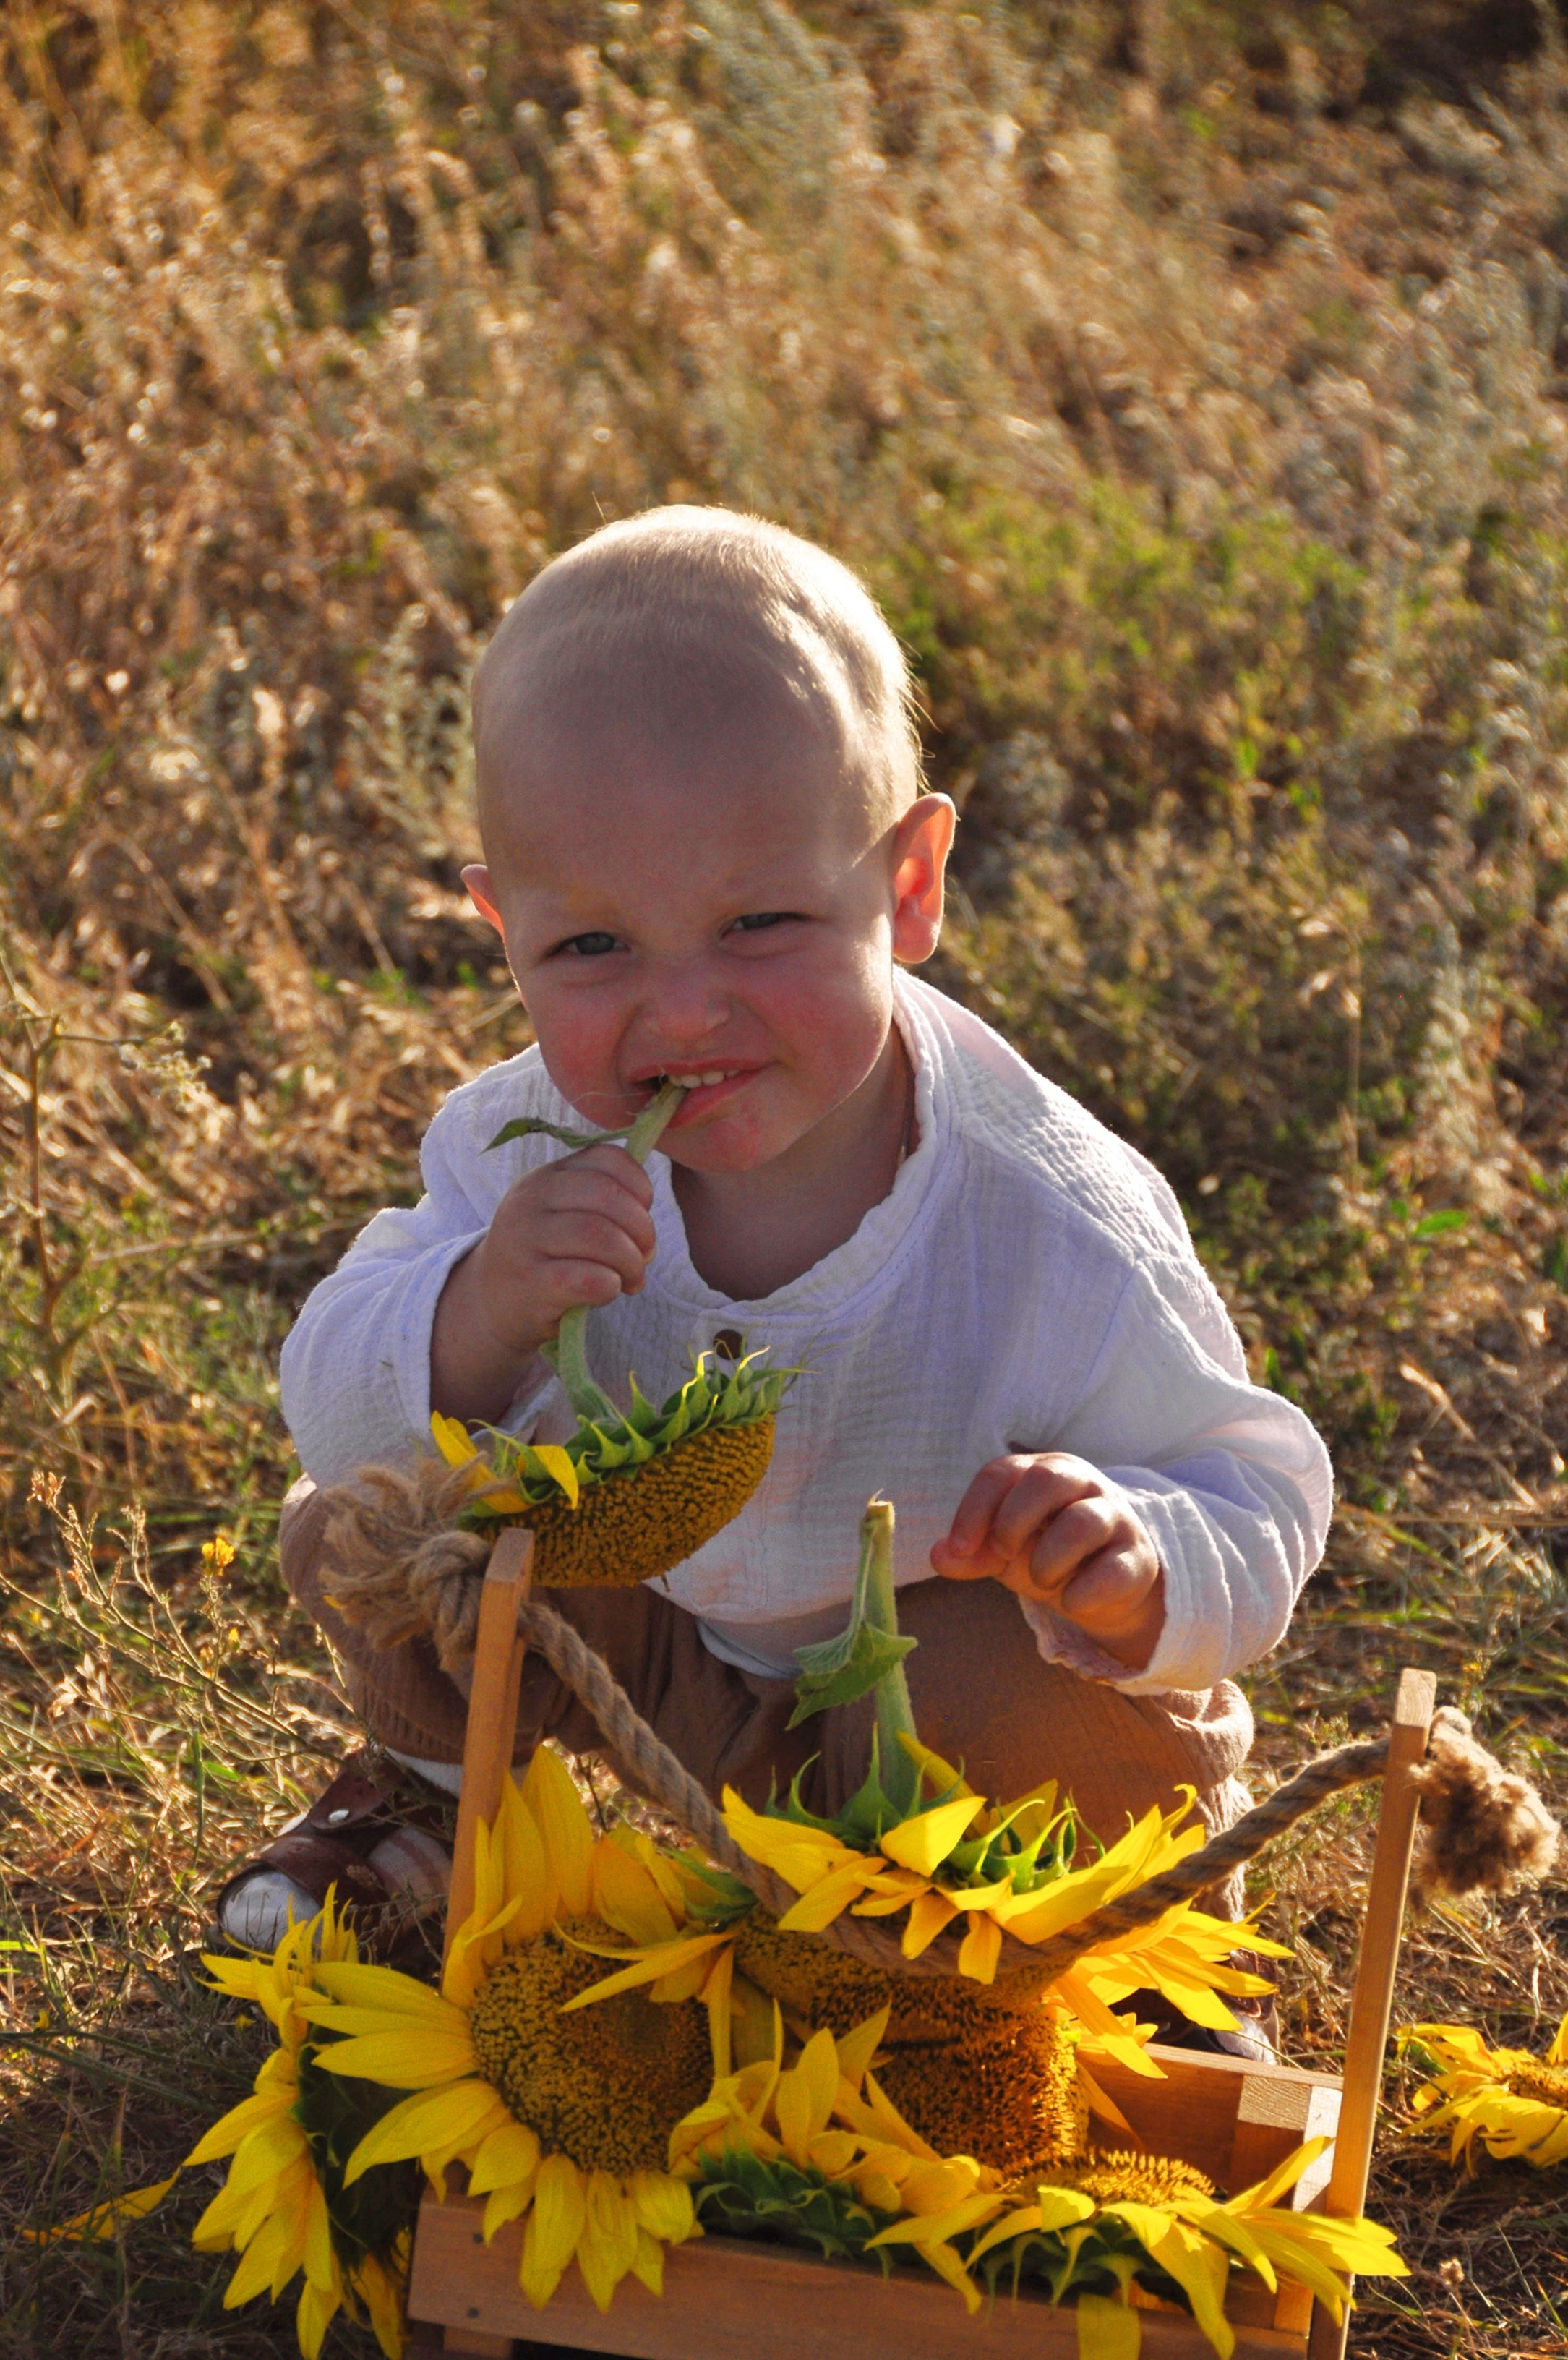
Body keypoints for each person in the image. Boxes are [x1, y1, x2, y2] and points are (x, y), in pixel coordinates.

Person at [221, 506, 1331, 2040]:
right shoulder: (522, 1149)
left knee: (1043, 1699)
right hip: (662, 1653)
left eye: (758, 924)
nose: (681, 1014)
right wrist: (473, 1308)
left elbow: (1258, 1484)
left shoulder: (1044, 1220)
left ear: (912, 886)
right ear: (502, 931)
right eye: (594, 950)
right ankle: (427, 1792)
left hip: (937, 1707)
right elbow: (337, 1399)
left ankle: (1115, 1939)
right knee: (380, 1519)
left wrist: (1135, 1559)